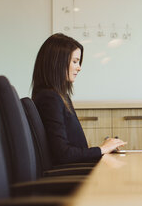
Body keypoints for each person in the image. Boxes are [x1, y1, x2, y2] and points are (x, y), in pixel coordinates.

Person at [32, 33, 126, 164]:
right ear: (58, 62)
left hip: (76, 169)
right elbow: (63, 154)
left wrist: (102, 149)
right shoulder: (50, 99)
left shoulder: (58, 96)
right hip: (71, 175)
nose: (79, 68)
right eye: (75, 61)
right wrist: (101, 149)